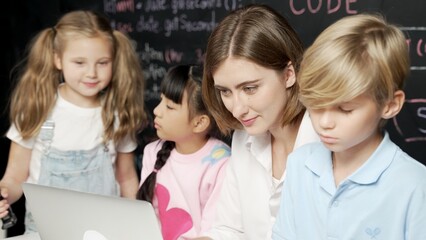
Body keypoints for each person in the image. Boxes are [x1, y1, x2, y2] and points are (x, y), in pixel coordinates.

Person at [272, 13, 426, 240]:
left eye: (344, 109)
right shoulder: (299, 164)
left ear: (390, 105)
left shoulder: (414, 185)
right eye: (315, 106)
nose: (324, 123)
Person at [0, 10, 147, 233]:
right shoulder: (37, 109)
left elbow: (126, 178)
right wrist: (4, 194)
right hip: (45, 232)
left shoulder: (117, 114)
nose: (92, 73)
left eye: (102, 63)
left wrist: (138, 225)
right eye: (79, 62)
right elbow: (15, 177)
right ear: (58, 59)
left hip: (104, 232)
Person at [195, 4, 319, 240]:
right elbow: (229, 229)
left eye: (250, 88)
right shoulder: (243, 139)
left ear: (289, 74)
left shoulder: (330, 141)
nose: (237, 109)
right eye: (225, 91)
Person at [137, 65, 231, 240]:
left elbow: (215, 232)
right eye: (160, 101)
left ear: (199, 123)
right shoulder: (153, 152)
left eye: (170, 107)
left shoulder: (222, 163)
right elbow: (144, 219)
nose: (157, 110)